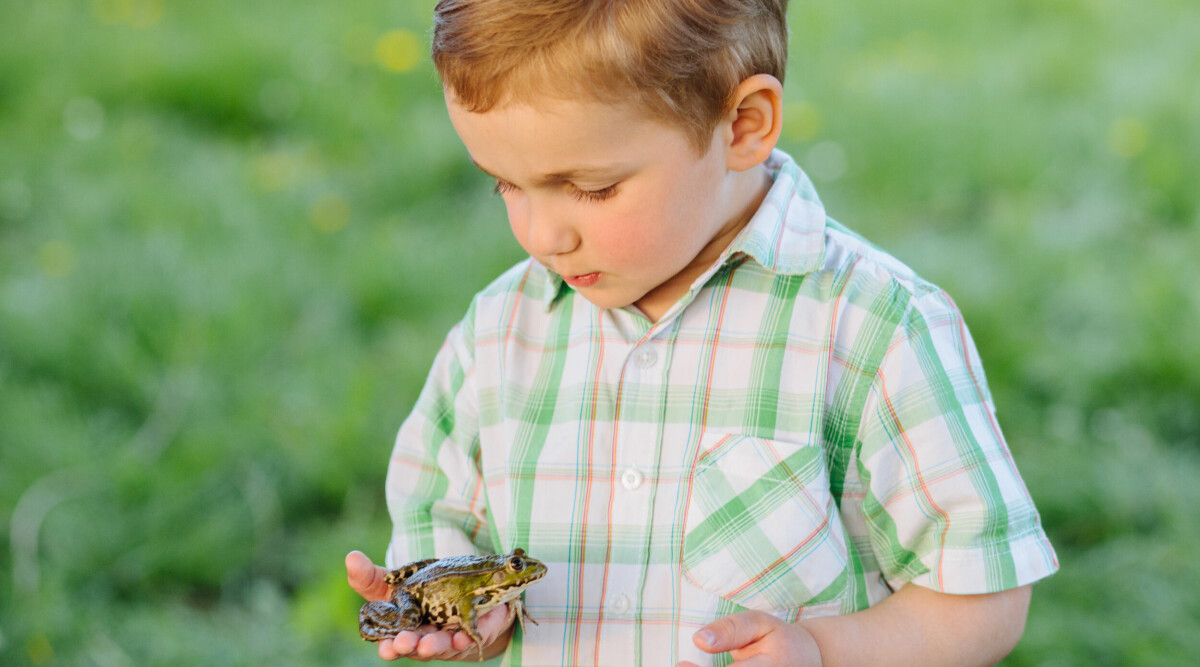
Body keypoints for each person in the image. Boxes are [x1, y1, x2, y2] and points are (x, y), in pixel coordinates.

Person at [346, 0, 1059, 664]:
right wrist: (457, 608)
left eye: (591, 188)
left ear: (743, 125)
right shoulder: (500, 333)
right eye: (503, 182)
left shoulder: (876, 327)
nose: (542, 234)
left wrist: (824, 649)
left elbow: (984, 593)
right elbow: (440, 513)